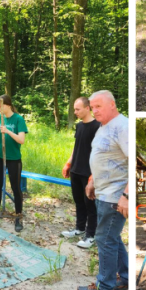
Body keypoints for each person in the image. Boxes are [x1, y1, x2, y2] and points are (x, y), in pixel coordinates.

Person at [79, 90, 128, 290]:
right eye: (92, 107)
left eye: (99, 106)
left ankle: (105, 285)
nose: (94, 110)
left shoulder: (122, 126)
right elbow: (102, 157)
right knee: (111, 237)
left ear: (112, 104)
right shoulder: (103, 127)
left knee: (104, 239)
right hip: (102, 192)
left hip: (115, 196)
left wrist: (126, 195)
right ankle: (125, 278)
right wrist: (92, 181)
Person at [0, 95, 28, 232]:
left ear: (7, 105)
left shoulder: (18, 119)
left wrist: (7, 130)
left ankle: (18, 217)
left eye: (0, 106)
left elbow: (21, 140)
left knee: (15, 187)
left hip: (13, 158)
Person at [61, 97, 101, 248]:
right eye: (74, 109)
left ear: (87, 108)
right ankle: (79, 229)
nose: (75, 112)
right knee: (78, 202)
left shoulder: (97, 126)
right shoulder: (79, 127)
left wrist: (94, 174)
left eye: (77, 109)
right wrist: (68, 163)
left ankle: (91, 235)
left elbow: (99, 153)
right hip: (76, 170)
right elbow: (76, 147)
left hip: (89, 173)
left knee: (90, 204)